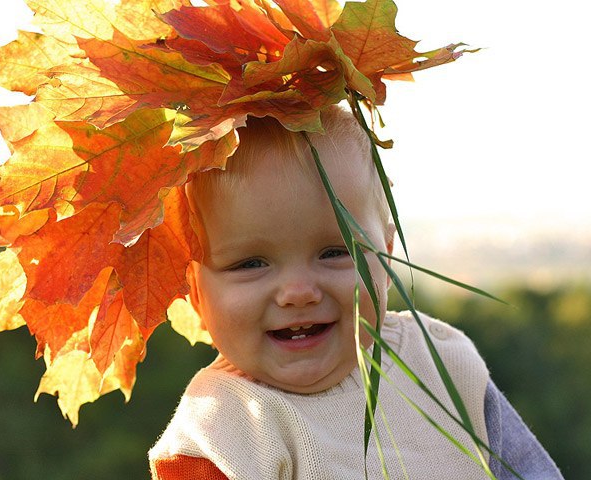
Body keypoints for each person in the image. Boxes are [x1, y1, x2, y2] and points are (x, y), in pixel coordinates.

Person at [148, 106, 563, 479]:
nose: (298, 292)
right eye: (250, 264)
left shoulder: (444, 363)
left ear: (385, 255)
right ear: (195, 293)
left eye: (334, 252)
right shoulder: (221, 435)